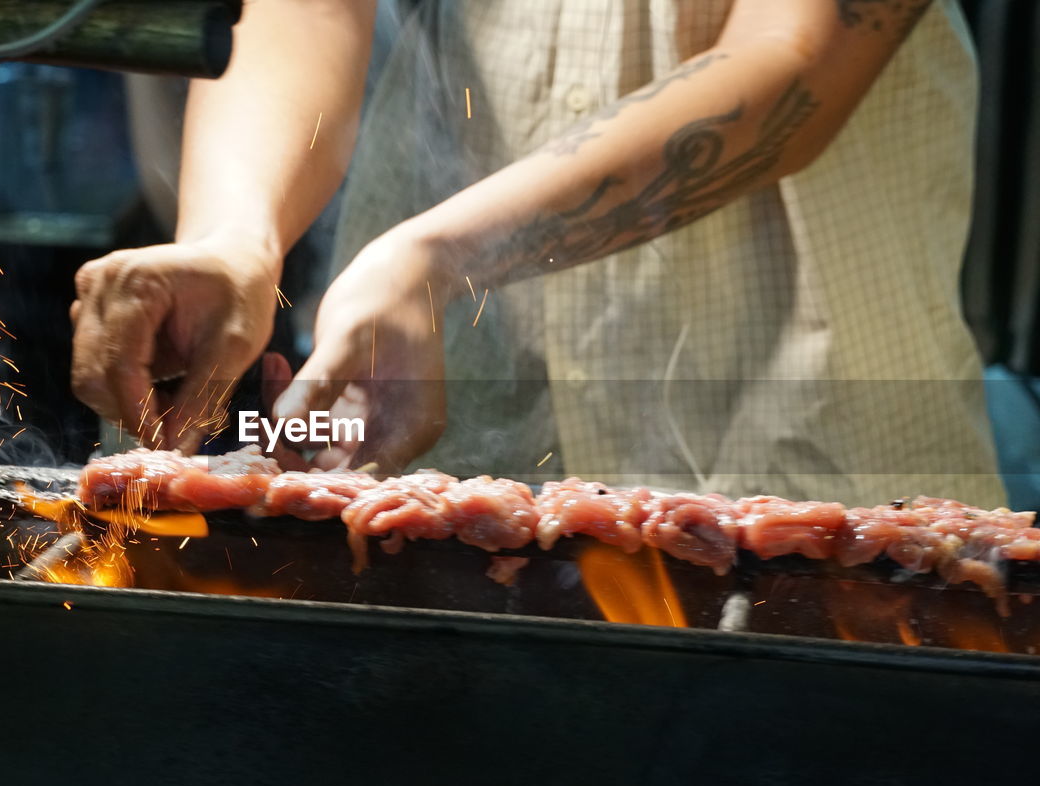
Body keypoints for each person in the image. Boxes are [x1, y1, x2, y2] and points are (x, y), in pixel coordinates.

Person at [70, 0, 1006, 509]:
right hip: (456, 425)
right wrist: (237, 236)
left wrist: (443, 255)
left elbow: (801, 56)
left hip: (796, 421)